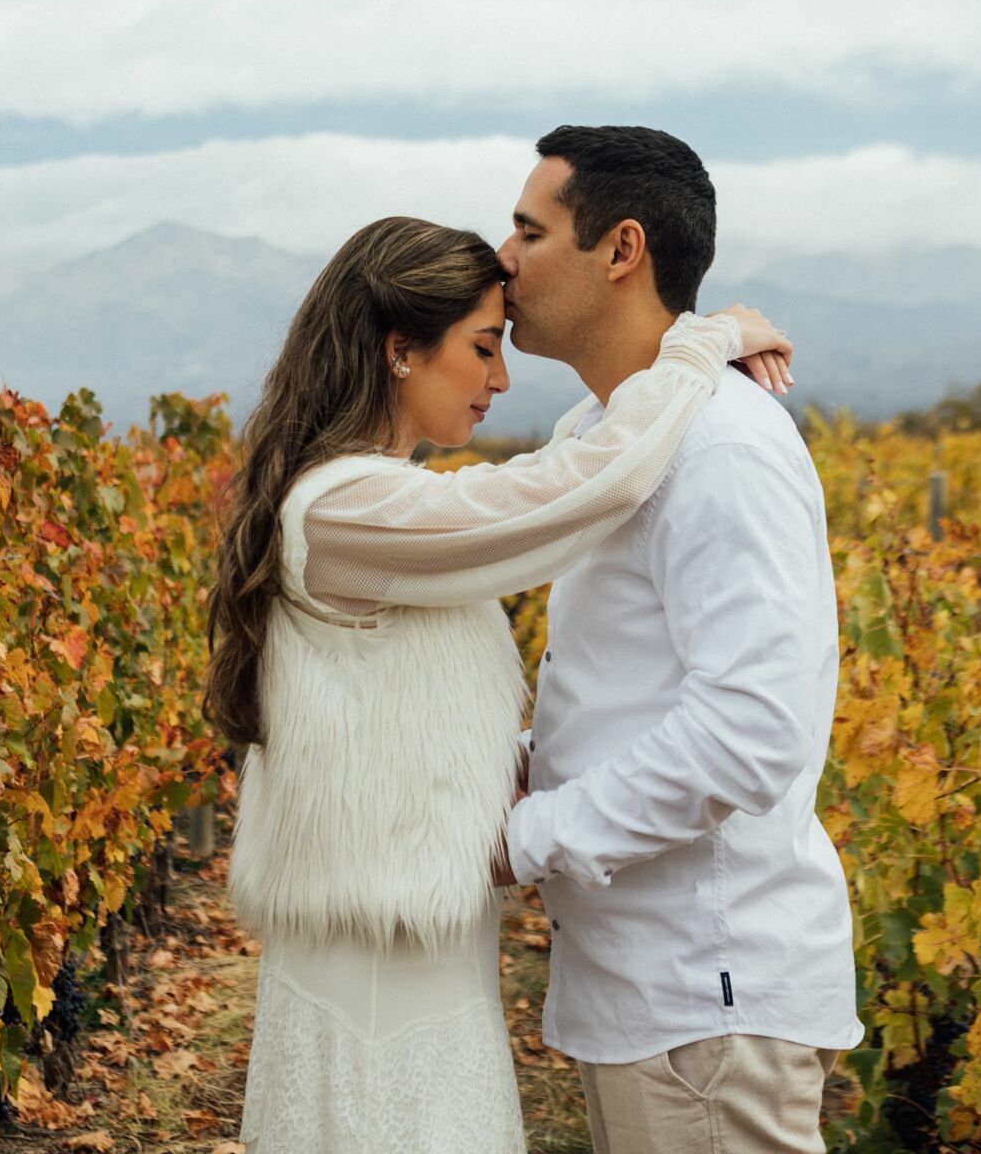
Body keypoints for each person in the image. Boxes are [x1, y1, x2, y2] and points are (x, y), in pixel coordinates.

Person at [209, 212, 793, 1151]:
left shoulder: (366, 502)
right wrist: (699, 346)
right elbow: (580, 491)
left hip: (414, 954)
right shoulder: (347, 507)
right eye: (483, 348)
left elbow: (405, 715)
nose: (501, 377)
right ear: (400, 351)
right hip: (377, 980)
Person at [492, 125, 864, 1154]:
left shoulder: (721, 447)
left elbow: (750, 727)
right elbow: (621, 691)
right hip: (655, 993)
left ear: (621, 249)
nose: (503, 259)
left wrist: (524, 838)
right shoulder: (601, 435)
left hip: (709, 992)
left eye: (530, 229)